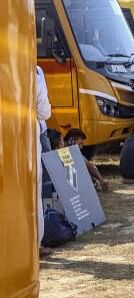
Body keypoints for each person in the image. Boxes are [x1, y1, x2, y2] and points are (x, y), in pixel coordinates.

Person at [36, 66, 52, 254]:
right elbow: (44, 110)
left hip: (39, 130)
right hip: (33, 131)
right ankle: (37, 245)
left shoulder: (39, 70)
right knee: (35, 191)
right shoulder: (35, 74)